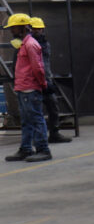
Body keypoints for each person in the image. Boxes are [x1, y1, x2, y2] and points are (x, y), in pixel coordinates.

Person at [5, 13, 51, 162]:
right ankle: (26, 149)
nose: (11, 30)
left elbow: (38, 68)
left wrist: (42, 84)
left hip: (31, 89)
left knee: (36, 119)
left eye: (14, 27)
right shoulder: (24, 44)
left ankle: (43, 149)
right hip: (23, 88)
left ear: (23, 27)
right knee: (26, 120)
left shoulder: (31, 44)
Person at [30, 17, 70, 143]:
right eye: (36, 29)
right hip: (34, 82)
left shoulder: (45, 44)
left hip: (45, 80)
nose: (38, 31)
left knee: (53, 107)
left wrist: (48, 80)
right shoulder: (28, 45)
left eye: (40, 29)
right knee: (35, 111)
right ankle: (36, 137)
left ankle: (54, 133)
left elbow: (45, 64)